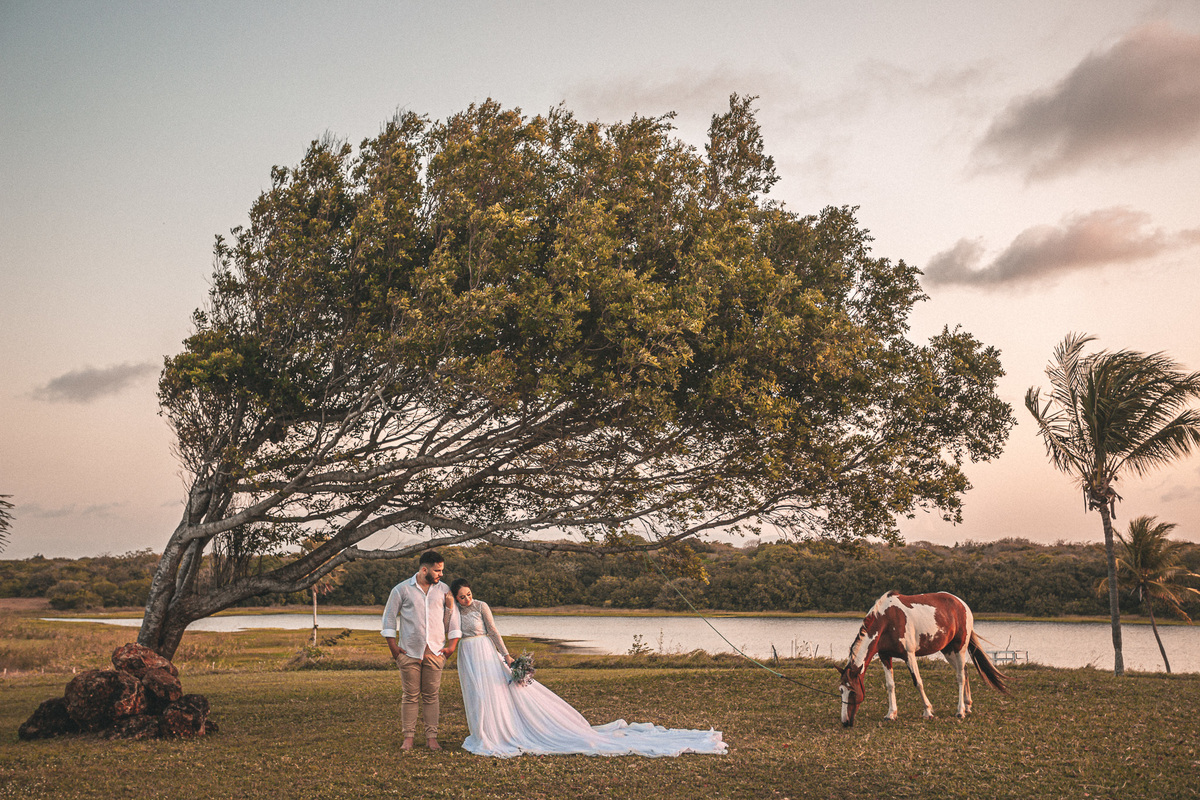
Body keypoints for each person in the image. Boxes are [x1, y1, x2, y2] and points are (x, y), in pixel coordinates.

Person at [449, 577, 727, 758]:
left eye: (469, 594)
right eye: (462, 597)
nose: (467, 599)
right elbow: (448, 628)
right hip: (467, 655)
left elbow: (495, 631)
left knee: (495, 693)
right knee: (477, 694)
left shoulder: (482, 606)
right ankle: (482, 730)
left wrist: (507, 656)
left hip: (486, 651)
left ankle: (498, 733)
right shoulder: (453, 613)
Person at [381, 550, 461, 751]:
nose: (441, 574)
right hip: (408, 653)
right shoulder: (401, 590)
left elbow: (453, 621)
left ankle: (431, 738)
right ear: (424, 569)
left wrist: (451, 647)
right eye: (437, 570)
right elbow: (389, 618)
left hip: (435, 653)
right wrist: (394, 649)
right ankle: (408, 738)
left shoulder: (444, 591)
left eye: (441, 570)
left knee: (431, 696)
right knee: (410, 696)